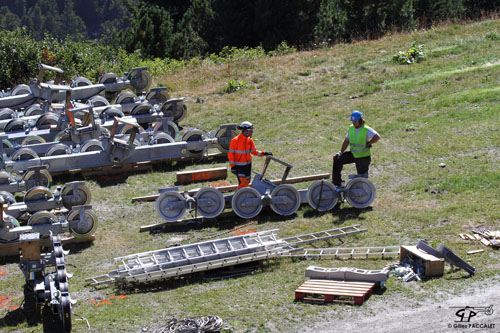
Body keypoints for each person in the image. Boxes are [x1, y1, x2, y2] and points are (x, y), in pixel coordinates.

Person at [332, 110, 380, 187]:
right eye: (352, 121)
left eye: (355, 121)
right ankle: (337, 184)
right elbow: (346, 141)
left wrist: (369, 143)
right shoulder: (351, 128)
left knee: (362, 179)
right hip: (353, 154)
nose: (353, 123)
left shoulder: (366, 129)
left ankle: (363, 193)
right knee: (337, 159)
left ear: (360, 120)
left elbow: (377, 137)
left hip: (363, 157)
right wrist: (340, 152)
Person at [228, 121, 272, 189]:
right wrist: (233, 166)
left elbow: (254, 151)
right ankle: (237, 197)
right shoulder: (235, 140)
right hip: (239, 167)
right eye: (250, 130)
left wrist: (264, 153)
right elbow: (231, 154)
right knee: (243, 183)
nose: (252, 132)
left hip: (248, 166)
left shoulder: (250, 140)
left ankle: (242, 196)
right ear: (245, 130)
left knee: (247, 182)